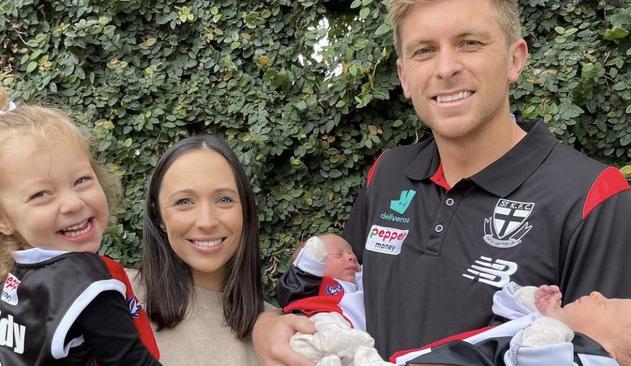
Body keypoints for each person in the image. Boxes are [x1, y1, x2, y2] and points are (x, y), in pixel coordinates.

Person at [252, 0, 631, 364]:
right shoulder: (388, 173)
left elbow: (619, 349)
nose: (445, 69)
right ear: (405, 77)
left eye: (469, 43)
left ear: (515, 59)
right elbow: (335, 292)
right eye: (424, 50)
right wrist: (270, 323)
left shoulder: (591, 195)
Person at [0, 89, 160, 365]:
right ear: (4, 220)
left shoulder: (16, 276)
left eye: (81, 180)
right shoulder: (84, 282)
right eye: (41, 194)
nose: (72, 203)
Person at [129, 135, 267, 365]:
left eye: (223, 199)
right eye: (184, 202)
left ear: (245, 210)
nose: (206, 221)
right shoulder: (116, 300)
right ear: (159, 216)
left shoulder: (278, 335)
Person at [393, 282, 631, 366]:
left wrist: (554, 325)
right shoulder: (559, 331)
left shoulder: (582, 358)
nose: (597, 294)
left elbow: (532, 355)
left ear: (609, 352)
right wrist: (531, 300)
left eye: (607, 305)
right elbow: (503, 307)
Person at [277, 234, 390, 365]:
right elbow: (293, 286)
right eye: (338, 254)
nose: (351, 257)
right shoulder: (313, 282)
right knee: (319, 328)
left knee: (361, 354)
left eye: (352, 253)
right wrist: (308, 265)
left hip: (354, 338)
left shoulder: (361, 282)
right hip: (319, 325)